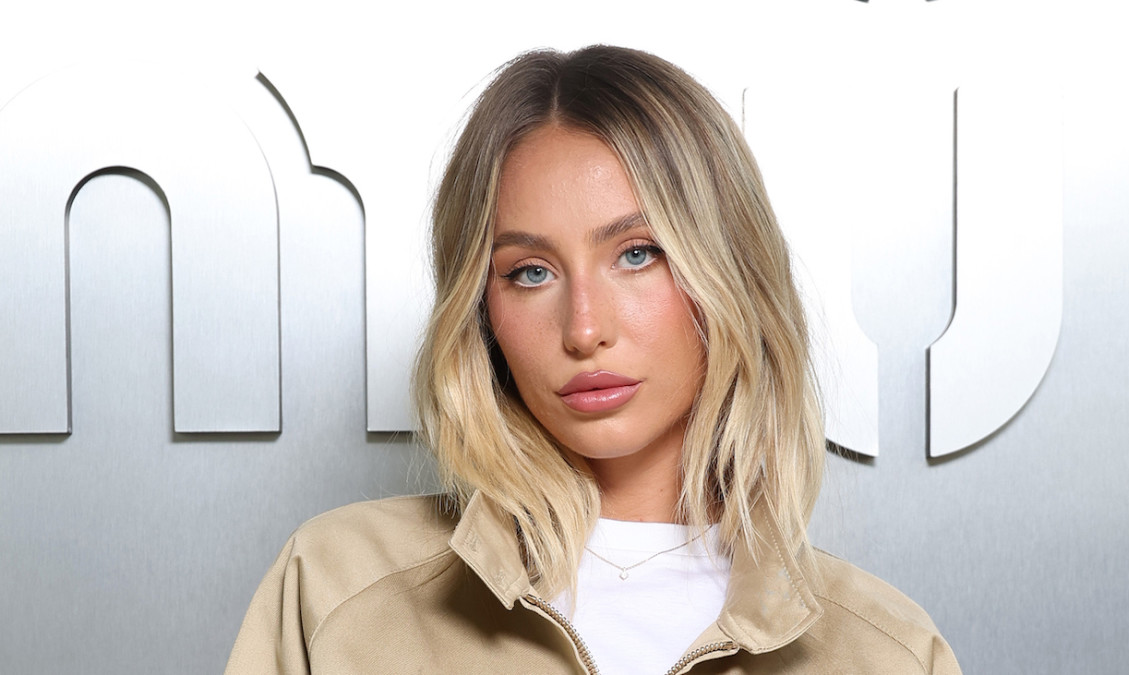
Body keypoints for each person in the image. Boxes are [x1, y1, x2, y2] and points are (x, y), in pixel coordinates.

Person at [225, 45, 961, 674]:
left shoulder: (885, 651)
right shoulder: (336, 589)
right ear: (482, 312)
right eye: (530, 272)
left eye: (637, 254)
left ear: (728, 274)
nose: (583, 329)